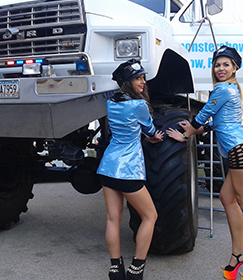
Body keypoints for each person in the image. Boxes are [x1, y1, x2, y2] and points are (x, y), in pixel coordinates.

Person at [166, 45, 243, 280]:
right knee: (226, 198)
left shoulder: (222, 89)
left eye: (226, 64)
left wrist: (186, 133)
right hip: (242, 147)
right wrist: (195, 128)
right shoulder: (231, 91)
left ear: (235, 68)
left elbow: (203, 116)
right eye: (217, 64)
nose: (220, 68)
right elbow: (216, 124)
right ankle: (238, 254)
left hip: (242, 149)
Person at [98, 59, 163, 280]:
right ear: (127, 82)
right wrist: (156, 137)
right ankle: (136, 269)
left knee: (112, 219)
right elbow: (150, 130)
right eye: (138, 78)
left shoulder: (111, 103)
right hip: (128, 169)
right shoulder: (139, 106)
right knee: (150, 216)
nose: (143, 82)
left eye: (143, 77)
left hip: (107, 167)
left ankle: (115, 269)